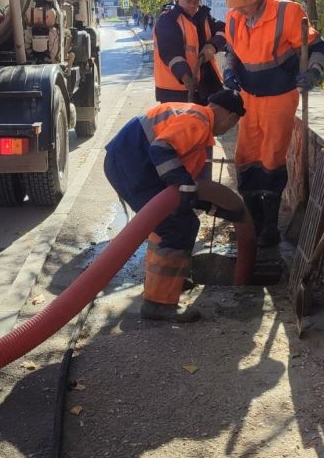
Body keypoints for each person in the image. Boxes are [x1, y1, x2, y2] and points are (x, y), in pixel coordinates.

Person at [104, 90, 246, 323]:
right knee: (175, 227)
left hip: (131, 162)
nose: (231, 128)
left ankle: (166, 283)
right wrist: (185, 187)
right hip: (131, 163)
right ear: (228, 114)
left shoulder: (197, 120)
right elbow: (161, 150)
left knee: (178, 222)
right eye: (234, 122)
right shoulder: (198, 120)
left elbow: (188, 186)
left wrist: (209, 205)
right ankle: (158, 303)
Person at [222, 0, 324, 247]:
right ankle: (252, 221)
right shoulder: (234, 17)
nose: (242, 12)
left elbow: (317, 45)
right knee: (245, 156)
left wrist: (314, 72)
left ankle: (269, 227)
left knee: (271, 158)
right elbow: (231, 52)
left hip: (280, 97)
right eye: (237, 8)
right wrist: (229, 72)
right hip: (249, 97)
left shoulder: (287, 12)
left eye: (245, 6)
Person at [153, 0, 226, 105]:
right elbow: (171, 52)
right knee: (182, 124)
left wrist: (212, 46)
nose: (193, 5)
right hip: (176, 91)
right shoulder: (168, 19)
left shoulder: (204, 17)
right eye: (188, 1)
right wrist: (185, 77)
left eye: (196, 1)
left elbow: (224, 30)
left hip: (204, 87)